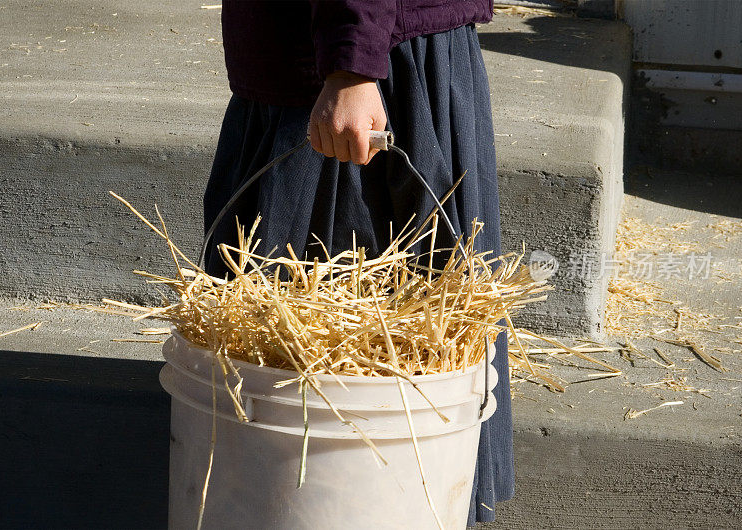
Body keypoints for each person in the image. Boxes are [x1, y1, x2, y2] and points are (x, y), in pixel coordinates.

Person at [203, 0, 512, 524]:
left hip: (364, 69)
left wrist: (352, 62)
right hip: (321, 52)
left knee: (359, 383)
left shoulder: (355, 68)